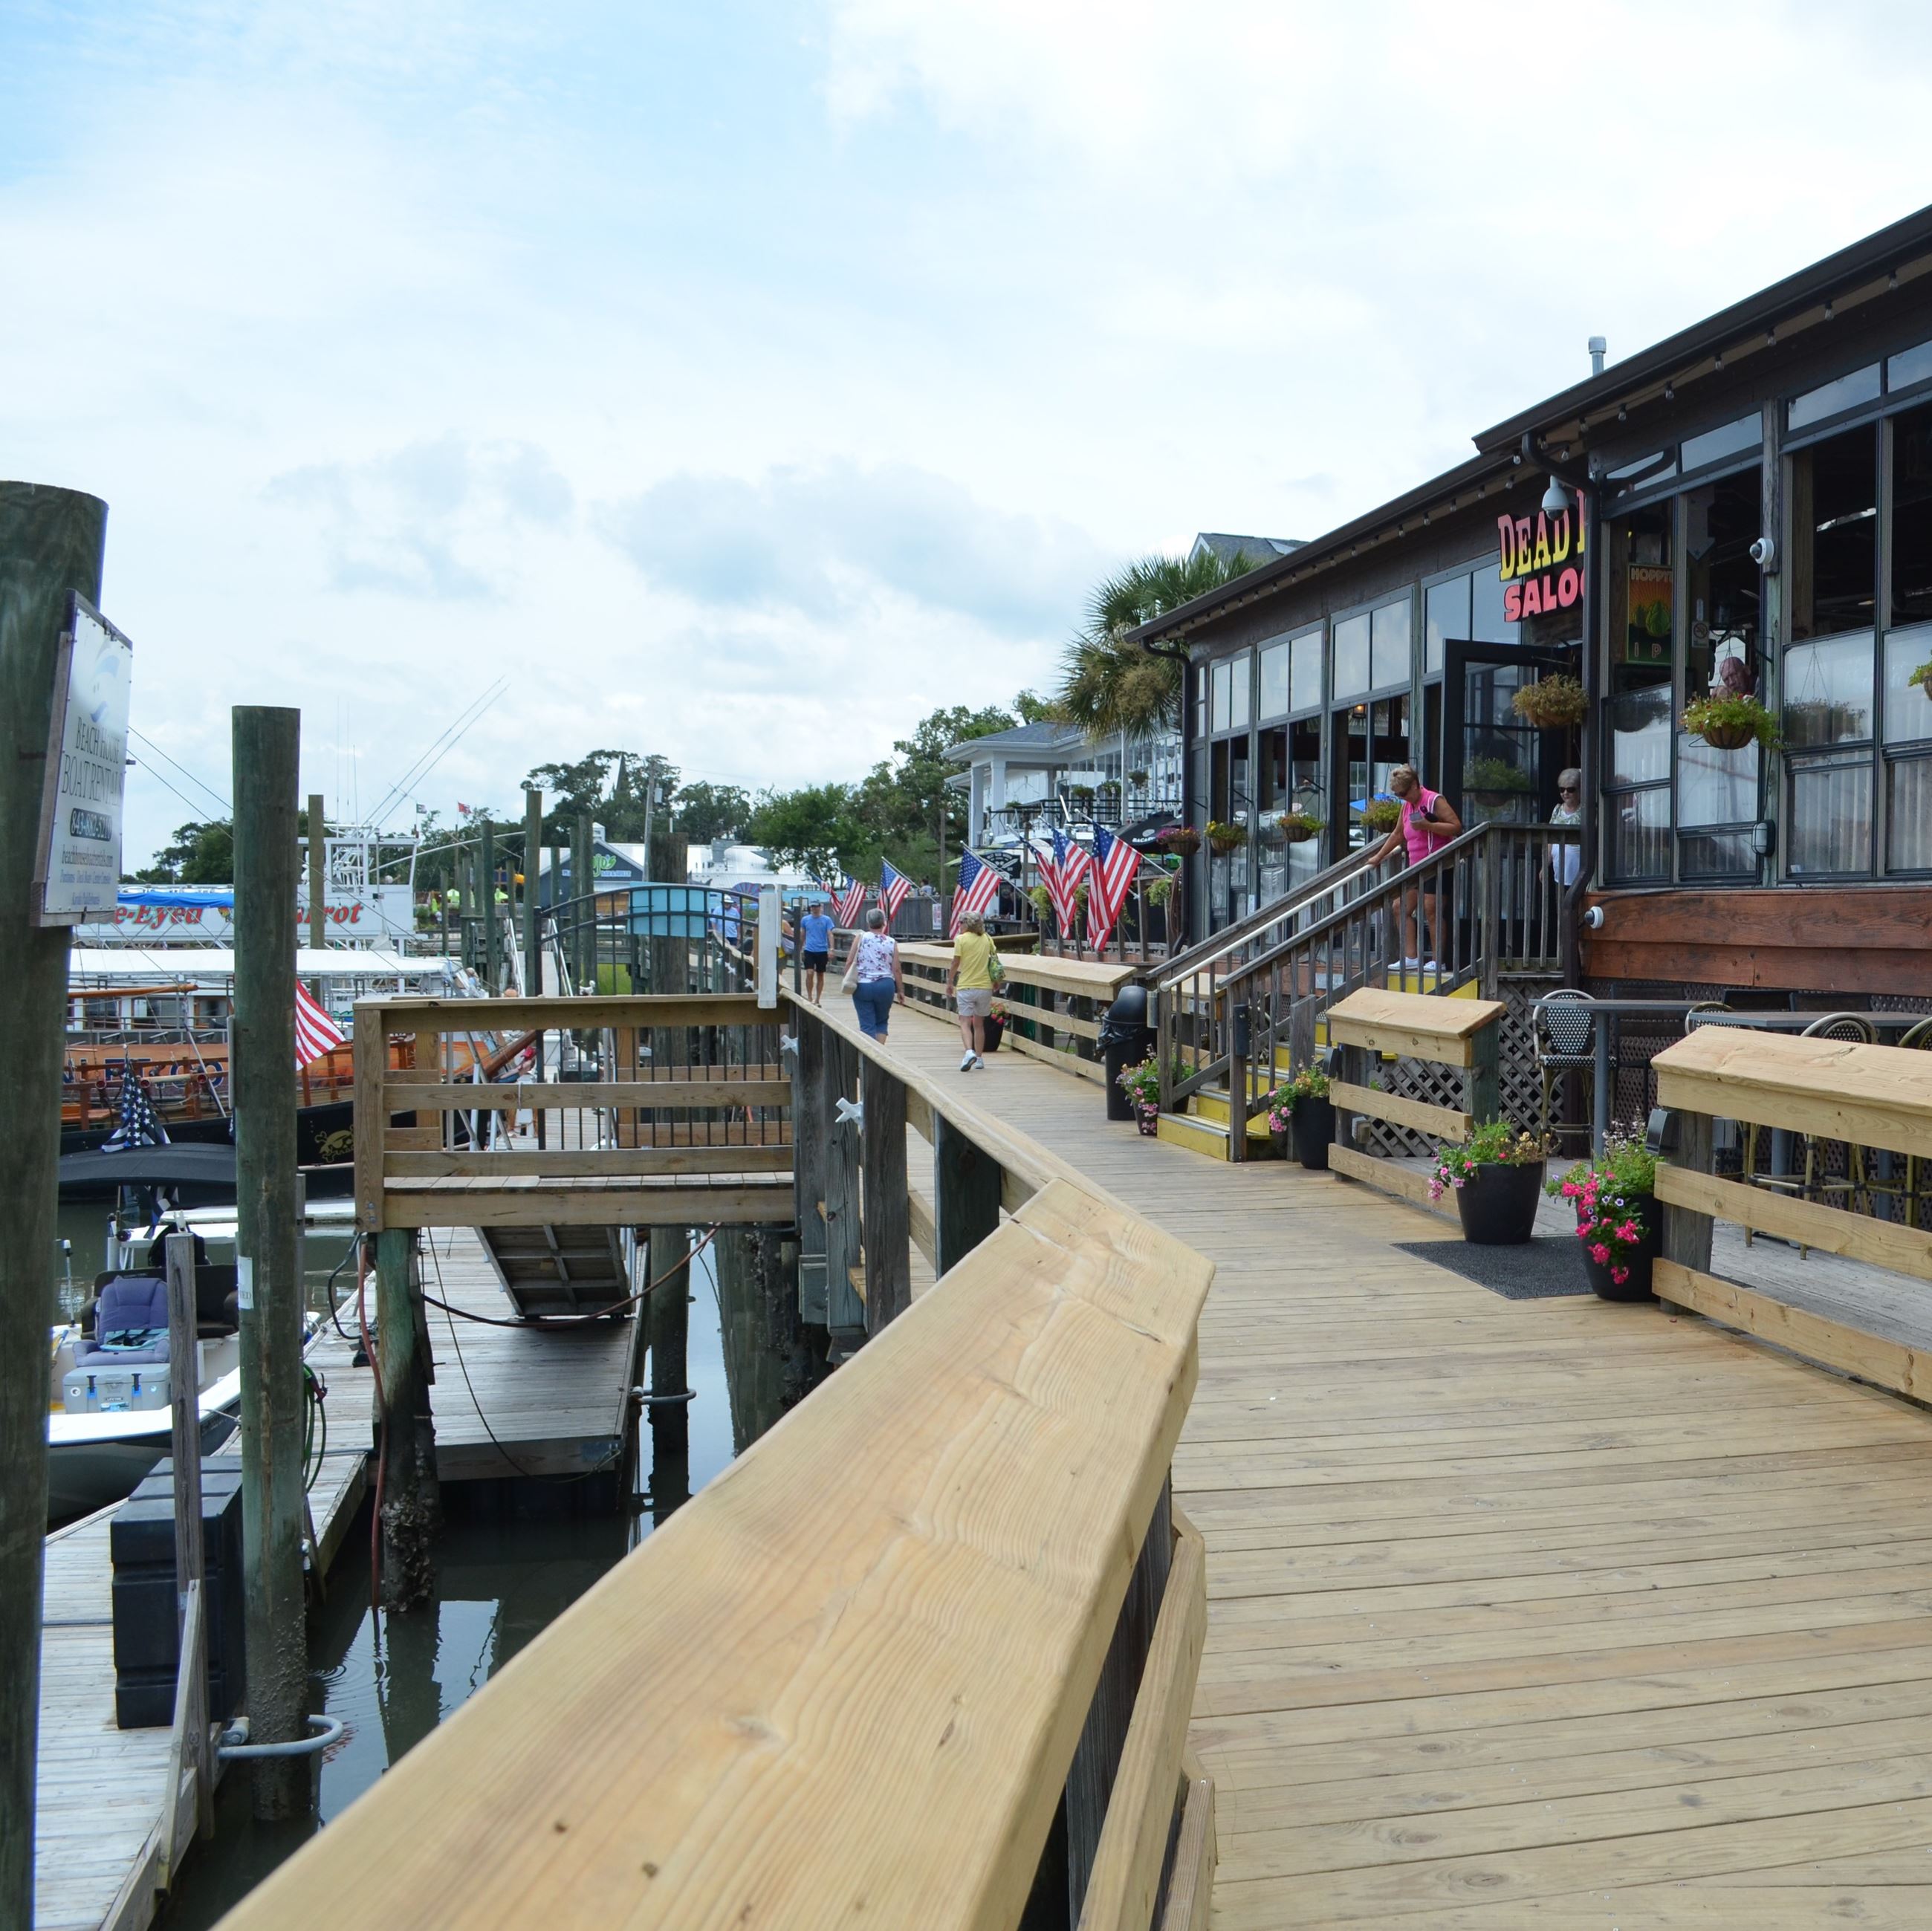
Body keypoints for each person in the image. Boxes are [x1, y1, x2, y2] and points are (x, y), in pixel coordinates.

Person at [1369, 765, 1461, 968]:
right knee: (1400, 907)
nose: (1402, 797)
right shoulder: (1406, 806)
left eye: (1404, 793)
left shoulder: (1434, 800)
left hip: (1438, 863)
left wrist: (1429, 826)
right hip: (1416, 866)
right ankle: (1411, 958)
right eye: (1398, 795)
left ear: (1414, 785)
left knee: (1432, 910)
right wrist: (1379, 857)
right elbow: (1397, 834)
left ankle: (1438, 962)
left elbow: (1456, 827)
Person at [944, 911, 1002, 1070]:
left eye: (960, 923)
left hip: (966, 986)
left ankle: (969, 1052)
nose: (959, 927)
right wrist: (996, 981)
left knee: (964, 1022)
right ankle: (979, 1058)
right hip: (984, 987)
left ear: (965, 924)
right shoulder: (987, 939)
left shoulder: (961, 940)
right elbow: (994, 961)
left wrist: (950, 981)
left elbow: (956, 962)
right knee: (979, 1024)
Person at [849, 906, 904, 1041]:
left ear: (868, 922)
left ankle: (869, 1059)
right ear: (884, 922)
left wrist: (848, 979)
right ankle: (879, 1055)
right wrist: (901, 990)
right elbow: (896, 969)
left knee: (867, 1025)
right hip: (885, 985)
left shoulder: (860, 938)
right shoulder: (891, 942)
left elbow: (850, 961)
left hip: (863, 985)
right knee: (882, 1022)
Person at [798, 897, 835, 1005]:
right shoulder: (805, 920)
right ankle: (809, 997)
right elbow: (803, 934)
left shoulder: (826, 920)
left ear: (820, 907)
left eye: (816, 907)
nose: (814, 909)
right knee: (809, 972)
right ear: (810, 908)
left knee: (820, 974)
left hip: (822, 950)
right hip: (809, 949)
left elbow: (830, 934)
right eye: (813, 907)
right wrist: (801, 948)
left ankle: (818, 998)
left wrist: (831, 949)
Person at [1550, 767, 1583, 887]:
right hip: (1559, 871)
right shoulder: (1557, 809)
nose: (1565, 793)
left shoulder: (1586, 811)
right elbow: (1550, 839)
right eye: (1562, 789)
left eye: (1570, 789)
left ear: (1580, 790)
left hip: (1580, 873)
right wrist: (1545, 865)